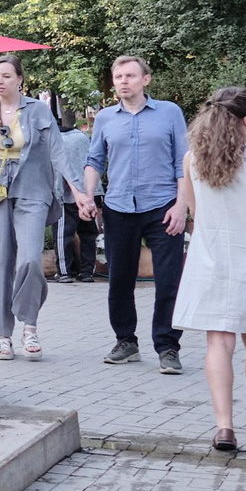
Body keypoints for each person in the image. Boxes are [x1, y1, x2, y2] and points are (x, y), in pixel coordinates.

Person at [172, 87, 246, 452]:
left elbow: (195, 212)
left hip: (209, 260)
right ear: (245, 120)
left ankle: (224, 427)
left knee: (218, 343)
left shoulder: (193, 160)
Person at [80, 55, 193, 373]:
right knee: (119, 280)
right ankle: (126, 341)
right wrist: (88, 195)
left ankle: (168, 347)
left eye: (130, 75)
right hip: (118, 207)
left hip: (162, 207)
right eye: (118, 76)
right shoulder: (105, 118)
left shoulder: (169, 113)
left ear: (146, 79)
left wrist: (181, 205)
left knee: (169, 280)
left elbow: (182, 162)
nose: (123, 81)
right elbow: (94, 160)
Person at [0, 53, 60, 360]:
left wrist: (79, 191)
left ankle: (29, 324)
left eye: (6, 76)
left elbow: (56, 151)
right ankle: (0, 334)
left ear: (20, 78)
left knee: (30, 260)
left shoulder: (37, 110)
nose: (0, 82)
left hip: (31, 188)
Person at [54, 114, 102, 284]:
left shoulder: (55, 138)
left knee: (63, 235)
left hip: (66, 195)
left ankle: (65, 272)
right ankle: (87, 272)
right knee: (89, 234)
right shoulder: (82, 137)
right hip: (91, 192)